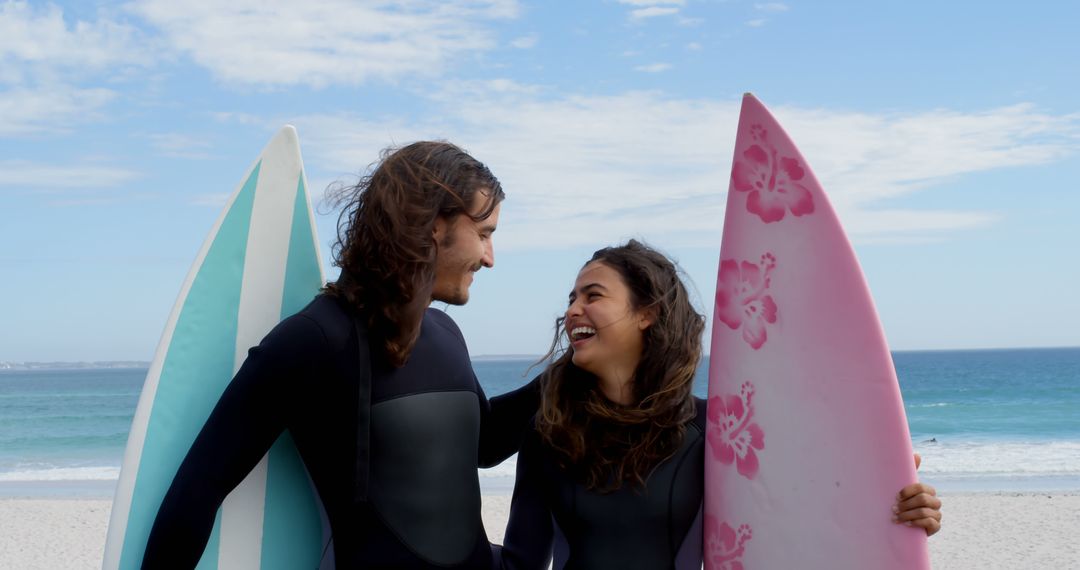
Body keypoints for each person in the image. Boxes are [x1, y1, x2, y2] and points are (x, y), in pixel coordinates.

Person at [143, 141, 538, 569]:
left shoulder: (445, 332)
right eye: (483, 234)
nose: (489, 257)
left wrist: (565, 374)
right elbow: (200, 486)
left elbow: (483, 444)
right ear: (433, 225)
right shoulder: (314, 340)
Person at [497, 240, 942, 569]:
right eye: (572, 298)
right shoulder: (551, 433)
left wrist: (895, 504)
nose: (573, 309)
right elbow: (522, 560)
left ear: (647, 312)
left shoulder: (716, 431)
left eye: (592, 295)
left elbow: (806, 514)